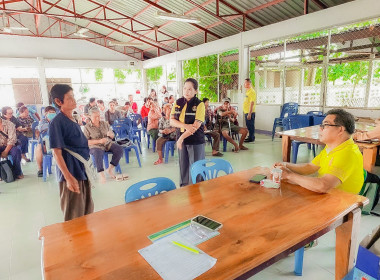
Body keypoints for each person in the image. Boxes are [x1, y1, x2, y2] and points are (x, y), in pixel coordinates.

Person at [273, 109, 364, 194]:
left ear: (340, 129)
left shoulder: (348, 153)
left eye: (325, 125)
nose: (320, 129)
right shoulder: (332, 148)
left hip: (342, 204)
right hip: (328, 196)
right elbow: (310, 167)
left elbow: (324, 185)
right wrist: (286, 165)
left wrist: (289, 175)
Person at [49, 84, 94, 221]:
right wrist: (68, 178)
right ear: (58, 101)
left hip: (81, 170)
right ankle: (74, 241)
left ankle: (85, 240)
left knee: (86, 209)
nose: (74, 100)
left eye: (73, 97)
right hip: (71, 171)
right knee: (74, 214)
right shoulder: (57, 122)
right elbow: (56, 152)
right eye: (69, 98)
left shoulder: (73, 119)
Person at [170, 78, 205, 187]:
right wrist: (184, 126)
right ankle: (184, 190)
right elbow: (172, 121)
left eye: (190, 89)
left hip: (195, 141)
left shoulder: (199, 105)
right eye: (185, 88)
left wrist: (180, 139)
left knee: (195, 168)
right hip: (182, 139)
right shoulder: (178, 102)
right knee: (183, 167)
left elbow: (195, 127)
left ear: (196, 91)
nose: (186, 91)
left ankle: (196, 191)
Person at [83, 108, 125, 183]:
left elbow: (112, 134)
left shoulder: (104, 124)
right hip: (95, 146)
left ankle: (110, 169)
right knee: (97, 152)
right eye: (95, 117)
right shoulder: (87, 127)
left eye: (99, 116)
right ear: (90, 116)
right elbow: (85, 142)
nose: (98, 118)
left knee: (119, 149)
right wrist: (99, 141)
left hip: (107, 143)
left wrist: (112, 135)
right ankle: (101, 174)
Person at [36, 106, 56, 177]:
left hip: (57, 139)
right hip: (44, 140)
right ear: (45, 114)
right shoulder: (42, 121)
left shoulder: (58, 120)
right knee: (40, 148)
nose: (52, 114)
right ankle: (40, 169)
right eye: (50, 113)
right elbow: (42, 128)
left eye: (53, 112)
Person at [243, 78, 256, 143]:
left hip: (250, 112)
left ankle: (251, 138)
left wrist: (249, 113)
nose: (246, 85)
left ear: (250, 84)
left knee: (250, 125)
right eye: (245, 83)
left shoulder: (252, 92)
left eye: (248, 84)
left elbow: (252, 103)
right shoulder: (247, 91)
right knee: (248, 125)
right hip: (246, 111)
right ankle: (250, 136)